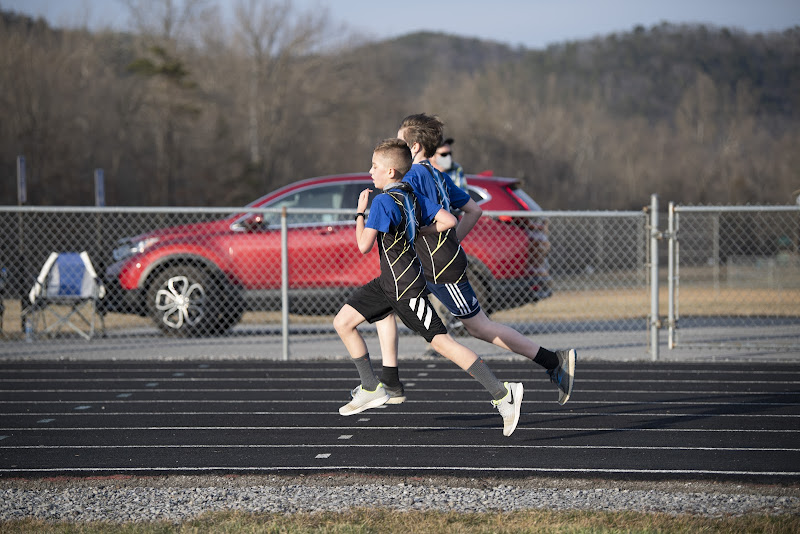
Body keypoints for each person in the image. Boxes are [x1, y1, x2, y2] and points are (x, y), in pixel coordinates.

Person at [373, 114, 576, 407]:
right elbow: (473, 211)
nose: (394, 146)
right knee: (385, 303)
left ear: (414, 147)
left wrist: (443, 240)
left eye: (400, 141)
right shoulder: (438, 175)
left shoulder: (413, 177)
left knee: (478, 327)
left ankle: (551, 361)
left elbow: (446, 217)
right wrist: (451, 239)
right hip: (430, 263)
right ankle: (389, 382)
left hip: (439, 267)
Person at [333, 138, 524, 437]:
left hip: (406, 288)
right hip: (387, 283)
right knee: (343, 322)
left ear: (392, 172)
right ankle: (371, 386)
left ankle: (502, 393)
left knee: (442, 343)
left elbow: (362, 246)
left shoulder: (382, 201)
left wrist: (360, 212)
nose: (370, 171)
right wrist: (421, 229)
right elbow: (448, 220)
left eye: (375, 166)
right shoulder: (411, 194)